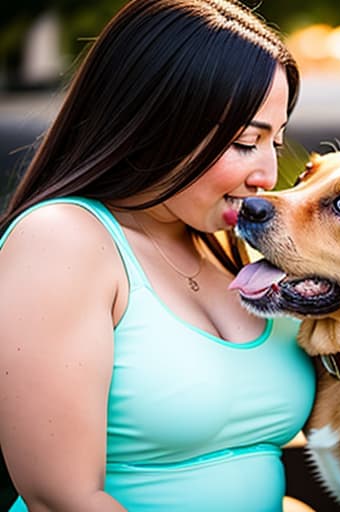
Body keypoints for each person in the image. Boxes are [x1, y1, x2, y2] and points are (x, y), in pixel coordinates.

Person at [0, 1, 316, 510]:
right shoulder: (62, 240)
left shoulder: (229, 248)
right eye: (244, 142)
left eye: (274, 143)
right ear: (155, 123)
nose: (266, 175)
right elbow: (62, 499)